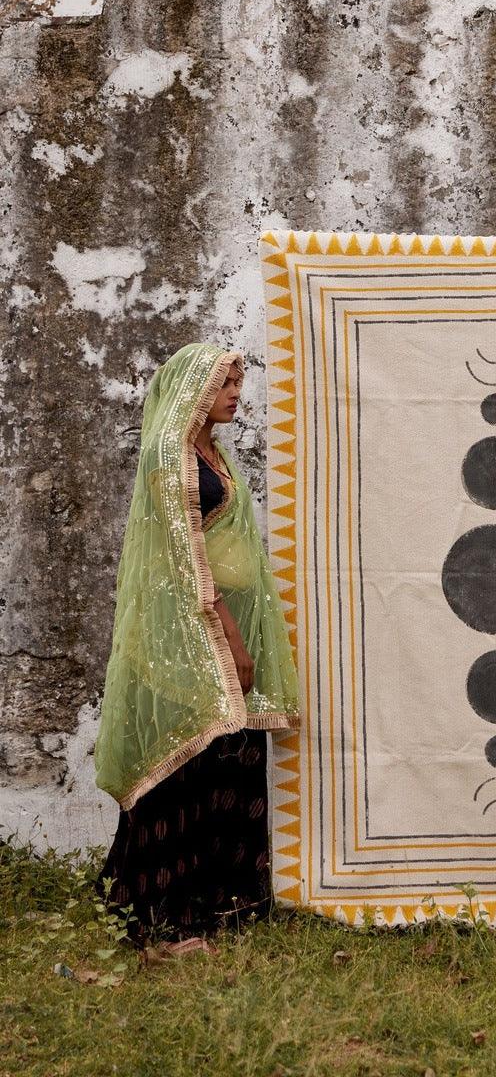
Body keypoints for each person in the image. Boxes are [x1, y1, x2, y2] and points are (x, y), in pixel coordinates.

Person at [95, 343, 300, 943]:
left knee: (232, 753)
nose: (236, 393)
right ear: (194, 390)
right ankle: (163, 910)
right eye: (224, 384)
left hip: (222, 620)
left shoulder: (214, 451)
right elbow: (182, 559)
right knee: (187, 756)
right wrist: (231, 639)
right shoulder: (168, 457)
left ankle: (227, 901)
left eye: (237, 382)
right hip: (188, 631)